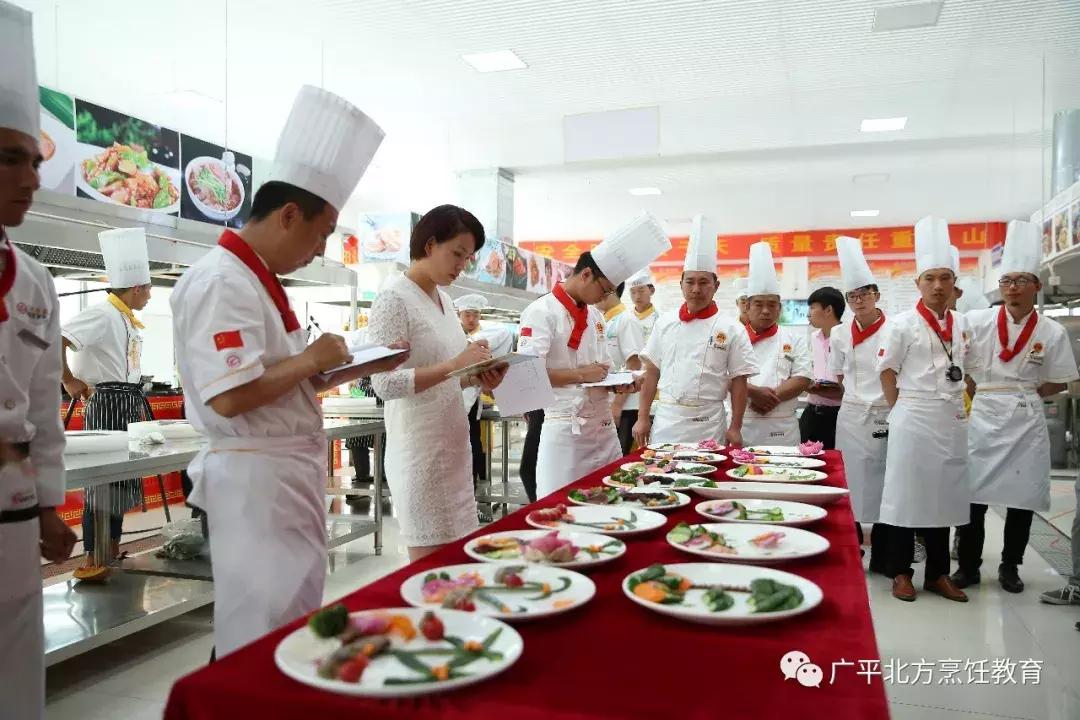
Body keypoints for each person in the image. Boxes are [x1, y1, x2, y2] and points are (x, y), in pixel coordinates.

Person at [171, 85, 410, 657]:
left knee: (289, 617)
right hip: (254, 486)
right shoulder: (220, 281)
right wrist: (311, 360)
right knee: (257, 623)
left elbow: (278, 381)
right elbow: (229, 398)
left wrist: (343, 368)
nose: (318, 249)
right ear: (288, 215)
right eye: (322, 234)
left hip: (282, 477)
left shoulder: (257, 279)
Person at [0, 4, 78, 715]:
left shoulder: (31, 279)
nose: (29, 176)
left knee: (19, 673)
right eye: (7, 156)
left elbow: (44, 404)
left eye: (33, 158)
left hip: (15, 515)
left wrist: (51, 506)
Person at [368, 206, 508, 561]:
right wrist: (456, 364)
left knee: (460, 560)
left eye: (468, 258)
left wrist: (479, 373)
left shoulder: (445, 300)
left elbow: (452, 376)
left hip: (453, 447)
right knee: (432, 568)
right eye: (457, 253)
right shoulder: (393, 299)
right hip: (419, 452)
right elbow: (384, 383)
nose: (462, 264)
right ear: (430, 244)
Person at [952, 220, 1078, 594]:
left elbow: (1063, 378)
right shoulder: (979, 321)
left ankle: (1010, 566)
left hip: (1025, 415)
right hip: (985, 412)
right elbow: (959, 363)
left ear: (1036, 286)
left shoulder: (1051, 331)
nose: (1012, 289)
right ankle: (970, 565)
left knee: (1022, 497)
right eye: (1006, 282)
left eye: (1021, 281)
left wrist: (1029, 393)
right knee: (972, 494)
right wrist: (980, 391)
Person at [519, 212, 670, 498]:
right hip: (566, 430)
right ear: (586, 274)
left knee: (609, 503)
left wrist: (618, 383)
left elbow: (602, 369)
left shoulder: (596, 318)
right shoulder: (541, 312)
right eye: (603, 289)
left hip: (603, 429)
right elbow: (527, 377)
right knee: (561, 507)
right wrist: (581, 375)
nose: (604, 297)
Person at [877, 216, 975, 603]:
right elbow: (886, 370)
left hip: (950, 418)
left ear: (954, 284)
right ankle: (901, 572)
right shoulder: (902, 323)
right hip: (913, 414)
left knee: (945, 495)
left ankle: (938, 574)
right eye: (930, 278)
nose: (938, 286)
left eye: (945, 278)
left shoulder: (963, 324)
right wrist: (899, 410)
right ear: (918, 283)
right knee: (906, 495)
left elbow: (971, 372)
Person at [61, 227, 153, 574]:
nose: (149, 297)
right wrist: (68, 379)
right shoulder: (101, 314)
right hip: (107, 403)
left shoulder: (125, 318)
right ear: (135, 288)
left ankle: (110, 549)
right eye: (148, 290)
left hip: (127, 401)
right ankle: (92, 556)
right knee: (103, 484)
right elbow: (60, 338)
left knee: (123, 481)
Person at [634, 214, 757, 446]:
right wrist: (642, 418)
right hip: (667, 419)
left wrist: (735, 427)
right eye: (690, 282)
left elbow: (739, 381)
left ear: (716, 286)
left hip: (708, 422)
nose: (696, 289)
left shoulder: (731, 328)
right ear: (681, 284)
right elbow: (652, 372)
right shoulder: (665, 323)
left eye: (704, 282)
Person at [829, 237, 893, 573]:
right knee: (848, 481)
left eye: (864, 294)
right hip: (852, 416)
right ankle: (852, 549)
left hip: (885, 414)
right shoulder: (839, 333)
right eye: (853, 296)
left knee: (885, 483)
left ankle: (883, 554)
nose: (859, 301)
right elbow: (839, 375)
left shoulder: (895, 330)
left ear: (876, 295)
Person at [741, 242, 812, 446]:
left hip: (782, 428)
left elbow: (803, 377)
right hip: (744, 423)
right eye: (759, 304)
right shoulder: (734, 337)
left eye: (771, 305)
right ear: (747, 306)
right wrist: (754, 392)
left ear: (779, 308)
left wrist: (770, 399)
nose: (765, 310)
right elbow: (723, 376)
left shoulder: (793, 338)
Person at [454, 293, 514, 486]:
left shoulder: (494, 333)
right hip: (454, 396)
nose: (471, 319)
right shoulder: (452, 334)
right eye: (467, 315)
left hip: (477, 396)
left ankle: (476, 480)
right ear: (459, 315)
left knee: (473, 440)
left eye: (474, 315)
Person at [596, 282, 646, 454]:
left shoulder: (627, 320)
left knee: (620, 458)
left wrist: (617, 405)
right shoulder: (605, 320)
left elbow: (634, 363)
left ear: (609, 290)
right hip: (609, 401)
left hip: (625, 406)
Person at [799, 287, 845, 448]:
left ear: (828, 310)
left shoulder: (847, 337)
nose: (808, 314)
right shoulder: (813, 337)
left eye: (812, 307)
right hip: (812, 413)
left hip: (838, 415)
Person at [628, 269, 659, 341]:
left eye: (641, 291)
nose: (637, 296)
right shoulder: (625, 319)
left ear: (652, 290)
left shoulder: (660, 319)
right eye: (633, 292)